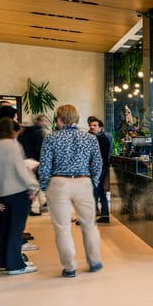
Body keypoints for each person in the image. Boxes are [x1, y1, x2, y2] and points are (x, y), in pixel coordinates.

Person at [38, 104, 103, 277]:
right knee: (89, 224)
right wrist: (93, 182)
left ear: (60, 119)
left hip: (58, 183)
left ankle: (69, 267)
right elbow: (97, 163)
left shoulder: (51, 138)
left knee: (62, 228)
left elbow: (45, 166)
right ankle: (94, 261)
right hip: (83, 181)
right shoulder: (90, 138)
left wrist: (44, 186)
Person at [0, 117, 40, 275]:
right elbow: (21, 169)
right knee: (15, 229)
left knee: (4, 226)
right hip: (16, 192)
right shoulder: (12, 145)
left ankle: (1, 259)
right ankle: (15, 265)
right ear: (12, 131)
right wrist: (34, 187)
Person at [87, 116, 112, 224]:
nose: (92, 127)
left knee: (94, 192)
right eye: (91, 125)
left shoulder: (102, 139)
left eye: (95, 125)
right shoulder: (96, 138)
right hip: (100, 168)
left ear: (100, 128)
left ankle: (89, 218)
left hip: (99, 169)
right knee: (101, 191)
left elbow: (100, 156)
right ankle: (105, 215)